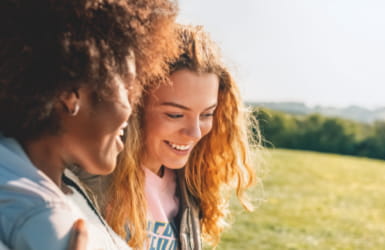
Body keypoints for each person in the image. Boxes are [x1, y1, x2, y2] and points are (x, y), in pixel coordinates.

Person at [0, 0, 177, 249]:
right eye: (126, 88)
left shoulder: (36, 176)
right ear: (70, 95)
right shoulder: (45, 219)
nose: (131, 106)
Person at [89, 24, 261, 249]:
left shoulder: (190, 187)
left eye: (206, 114)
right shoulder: (93, 179)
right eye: (175, 114)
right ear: (134, 107)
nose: (195, 133)